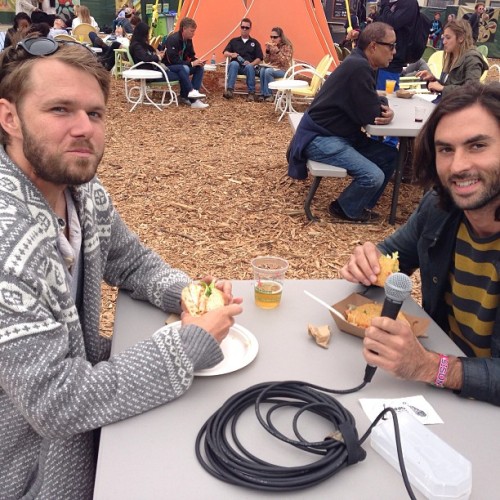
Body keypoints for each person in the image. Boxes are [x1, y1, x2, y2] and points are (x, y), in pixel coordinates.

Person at [0, 35, 243, 498]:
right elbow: (57, 402)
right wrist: (187, 345)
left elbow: (131, 261)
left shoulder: (81, 193)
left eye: (94, 113)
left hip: (93, 427)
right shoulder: (6, 241)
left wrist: (191, 294)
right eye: (60, 110)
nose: (83, 128)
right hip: (30, 470)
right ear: (9, 117)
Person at [341, 81, 500, 405]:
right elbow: (392, 254)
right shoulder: (441, 207)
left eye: (477, 146)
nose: (457, 166)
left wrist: (432, 367)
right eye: (446, 149)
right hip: (437, 395)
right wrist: (368, 260)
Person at [287, 22, 398, 224]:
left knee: (390, 156)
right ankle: (344, 209)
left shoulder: (361, 63)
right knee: (373, 176)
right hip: (320, 138)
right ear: (373, 46)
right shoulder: (359, 67)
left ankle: (358, 204)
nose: (394, 51)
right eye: (391, 46)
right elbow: (371, 116)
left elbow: (370, 102)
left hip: (334, 134)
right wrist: (385, 109)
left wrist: (382, 106)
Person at [416, 19, 488, 101]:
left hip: (457, 109)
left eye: (448, 38)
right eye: (443, 37)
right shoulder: (452, 56)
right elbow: (449, 84)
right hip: (444, 103)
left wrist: (442, 88)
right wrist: (433, 79)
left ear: (461, 38)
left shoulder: (472, 59)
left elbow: (472, 90)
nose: (444, 42)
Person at [161, 17, 209, 109]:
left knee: (199, 68)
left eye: (194, 31)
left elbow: (190, 55)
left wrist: (197, 61)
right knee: (185, 68)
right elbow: (172, 60)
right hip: (169, 67)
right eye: (192, 31)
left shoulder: (188, 40)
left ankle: (192, 95)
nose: (193, 34)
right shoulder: (173, 39)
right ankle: (191, 98)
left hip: (181, 65)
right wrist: (191, 64)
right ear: (184, 29)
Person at [374, 0, 420, 91]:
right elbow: (379, 25)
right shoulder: (394, 4)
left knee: (387, 95)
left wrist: (385, 5)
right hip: (381, 58)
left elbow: (390, 24)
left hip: (393, 60)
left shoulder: (409, 3)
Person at [222, 18, 263, 102]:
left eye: (247, 28)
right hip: (236, 68)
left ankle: (251, 93)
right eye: (243, 27)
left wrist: (251, 63)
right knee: (234, 64)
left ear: (250, 29)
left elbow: (259, 57)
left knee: (249, 67)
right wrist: (231, 54)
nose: (244, 29)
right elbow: (225, 52)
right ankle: (230, 90)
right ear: (240, 27)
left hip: (248, 68)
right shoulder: (234, 41)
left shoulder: (255, 42)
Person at [258, 26, 293, 102]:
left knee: (268, 71)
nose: (272, 39)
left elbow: (286, 62)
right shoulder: (272, 46)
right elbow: (266, 61)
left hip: (283, 70)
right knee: (263, 70)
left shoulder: (287, 46)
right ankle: (263, 94)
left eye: (275, 37)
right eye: (271, 37)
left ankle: (270, 95)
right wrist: (267, 51)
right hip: (273, 67)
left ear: (280, 37)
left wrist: (277, 52)